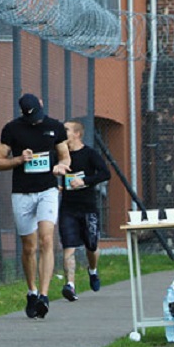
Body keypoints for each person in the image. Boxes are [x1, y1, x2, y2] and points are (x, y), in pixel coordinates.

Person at [0, 93, 70, 319]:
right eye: (31, 117)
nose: (35, 120)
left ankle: (44, 296)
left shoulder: (55, 127)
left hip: (47, 190)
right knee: (29, 247)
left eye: (37, 115)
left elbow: (65, 156)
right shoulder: (12, 129)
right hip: (22, 193)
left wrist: (61, 167)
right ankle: (32, 291)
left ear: (42, 106)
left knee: (47, 238)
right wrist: (19, 160)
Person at [58, 120, 111, 302]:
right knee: (68, 247)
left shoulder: (89, 154)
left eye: (65, 130)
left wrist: (85, 181)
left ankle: (93, 271)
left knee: (92, 245)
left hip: (88, 207)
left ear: (77, 133)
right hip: (68, 208)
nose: (62, 132)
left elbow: (105, 173)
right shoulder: (60, 155)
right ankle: (70, 286)